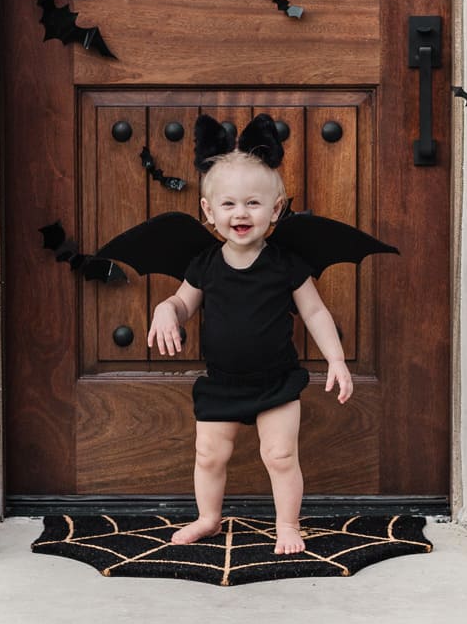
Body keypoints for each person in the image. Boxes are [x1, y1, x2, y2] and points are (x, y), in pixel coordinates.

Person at [145, 116, 355, 556]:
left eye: (254, 204)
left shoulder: (285, 264)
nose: (241, 214)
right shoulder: (204, 263)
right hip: (221, 382)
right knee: (209, 456)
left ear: (276, 209)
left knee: (280, 457)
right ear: (208, 212)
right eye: (229, 205)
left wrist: (336, 359)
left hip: (275, 381)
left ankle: (287, 524)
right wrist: (167, 310)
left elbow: (315, 311)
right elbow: (183, 304)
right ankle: (207, 517)